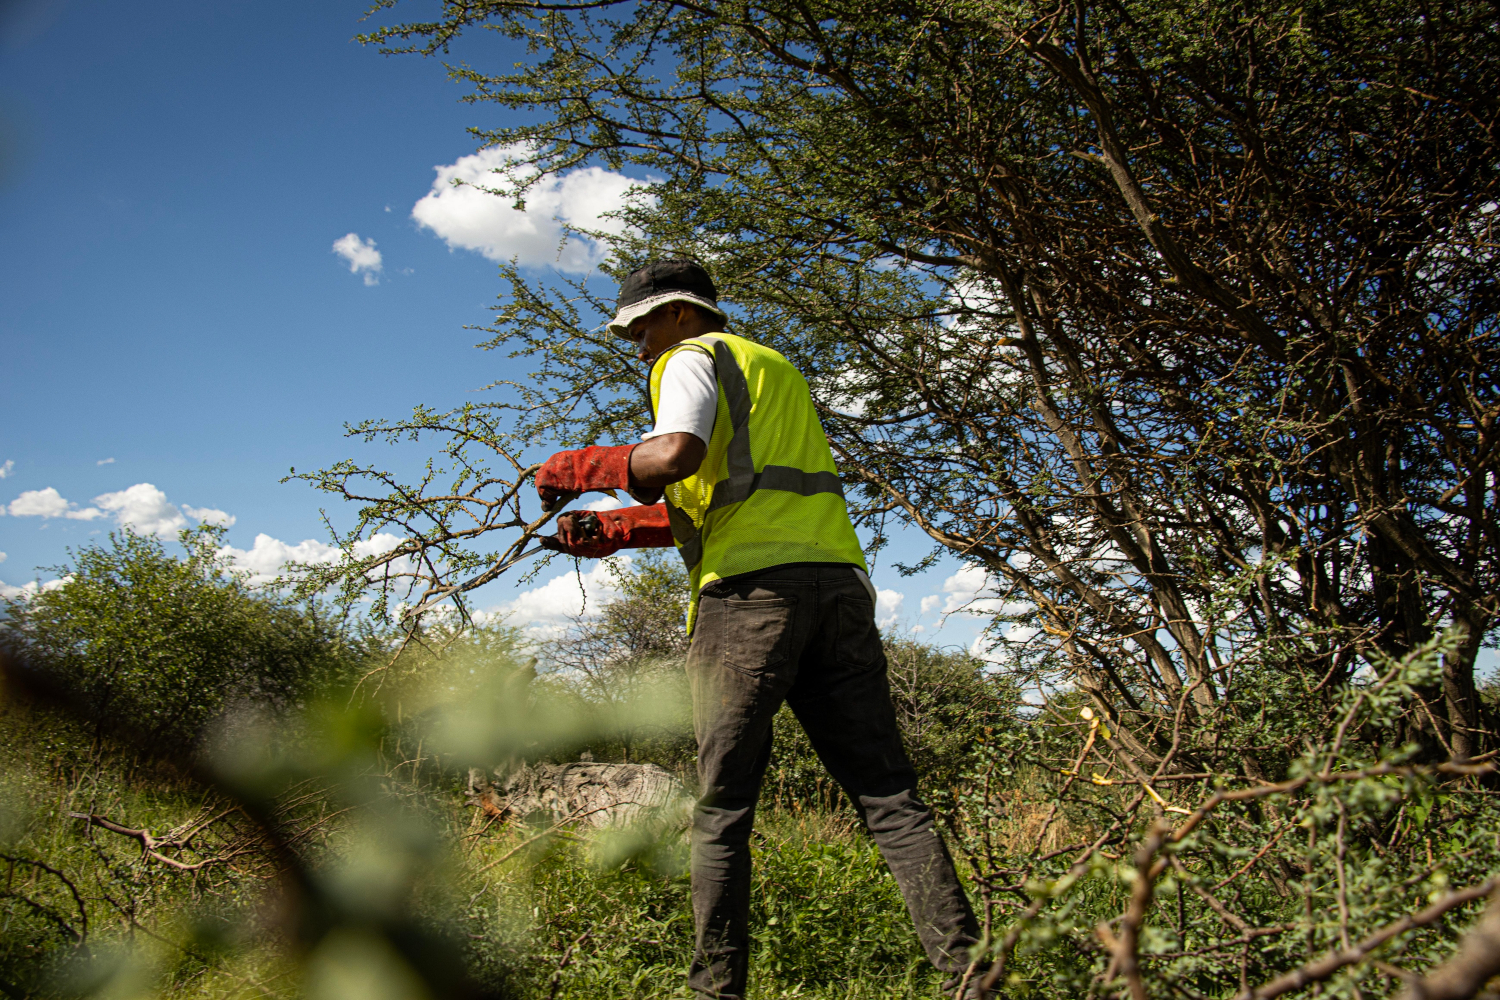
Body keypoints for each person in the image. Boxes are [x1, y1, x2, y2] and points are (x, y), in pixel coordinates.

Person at [535, 260, 984, 1000]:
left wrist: (588, 466)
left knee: (721, 811)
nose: (638, 344)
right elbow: (737, 494)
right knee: (890, 799)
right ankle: (974, 979)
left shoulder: (689, 357)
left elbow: (675, 454)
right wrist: (621, 526)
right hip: (838, 590)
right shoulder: (774, 366)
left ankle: (715, 993)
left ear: (680, 314)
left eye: (641, 326)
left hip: (749, 603)